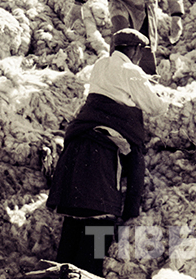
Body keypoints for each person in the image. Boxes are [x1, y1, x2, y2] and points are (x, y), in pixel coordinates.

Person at [47, 29, 168, 276]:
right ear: (134, 50)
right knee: (93, 250)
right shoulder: (131, 71)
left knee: (71, 233)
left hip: (76, 152)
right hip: (101, 166)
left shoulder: (101, 64)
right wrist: (130, 212)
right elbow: (156, 107)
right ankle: (89, 273)